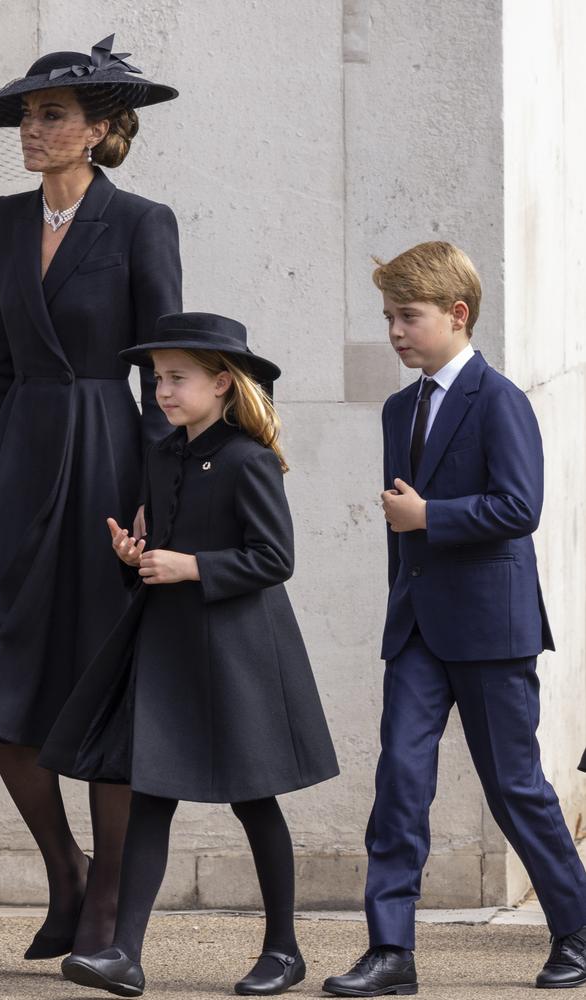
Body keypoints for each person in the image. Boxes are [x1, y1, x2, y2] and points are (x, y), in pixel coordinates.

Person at [0, 35, 182, 960]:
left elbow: (166, 370)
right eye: (28, 117)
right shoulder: (5, 221)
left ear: (102, 130)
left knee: (97, 681)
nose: (32, 131)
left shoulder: (143, 223)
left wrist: (163, 492)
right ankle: (65, 871)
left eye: (51, 117)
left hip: (106, 464)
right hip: (17, 459)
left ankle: (111, 908)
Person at [39, 311, 339, 997]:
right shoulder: (164, 454)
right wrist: (135, 559)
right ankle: (126, 954)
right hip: (170, 647)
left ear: (223, 385)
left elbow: (274, 557)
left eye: (177, 379)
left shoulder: (249, 460)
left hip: (238, 654)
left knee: (253, 800)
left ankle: (284, 950)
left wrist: (190, 567)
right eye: (156, 379)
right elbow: (160, 550)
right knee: (151, 793)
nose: (163, 391)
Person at [323, 242, 586, 996]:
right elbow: (398, 532)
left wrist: (428, 514)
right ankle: (391, 952)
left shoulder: (499, 398)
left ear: (457, 314)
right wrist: (400, 587)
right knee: (400, 780)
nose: (395, 331)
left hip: (490, 625)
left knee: (515, 786)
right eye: (388, 317)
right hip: (416, 627)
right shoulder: (399, 408)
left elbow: (519, 507)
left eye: (408, 316)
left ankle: (577, 927)